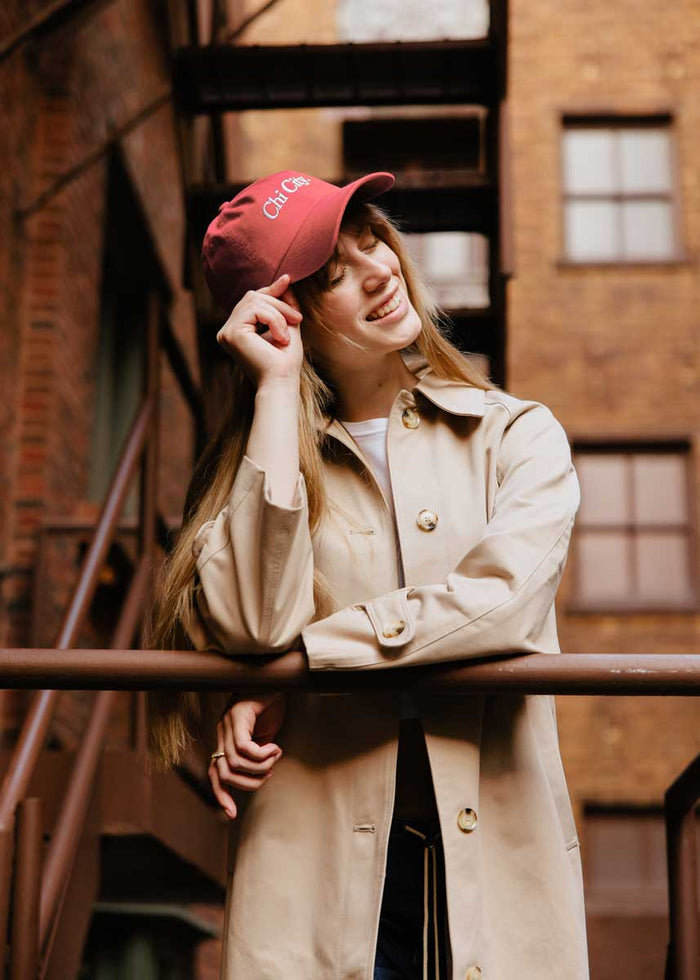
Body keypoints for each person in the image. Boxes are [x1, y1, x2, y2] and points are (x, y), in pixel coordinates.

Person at [146, 169, 590, 980]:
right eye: (332, 274)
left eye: (371, 237)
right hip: (318, 882)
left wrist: (302, 668)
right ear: (279, 314)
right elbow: (250, 625)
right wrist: (277, 391)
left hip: (492, 873)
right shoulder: (255, 475)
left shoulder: (516, 436)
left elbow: (502, 606)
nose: (379, 268)